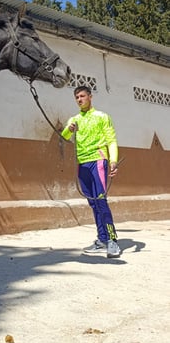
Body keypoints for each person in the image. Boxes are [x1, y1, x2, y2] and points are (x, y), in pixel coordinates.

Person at [61, 85, 121, 258]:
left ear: (90, 97)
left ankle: (112, 240)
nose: (80, 100)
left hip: (98, 161)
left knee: (101, 201)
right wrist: (69, 129)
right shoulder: (75, 119)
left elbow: (111, 140)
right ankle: (102, 239)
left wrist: (113, 161)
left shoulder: (102, 116)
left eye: (82, 96)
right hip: (83, 164)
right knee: (93, 203)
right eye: (77, 97)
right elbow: (64, 137)